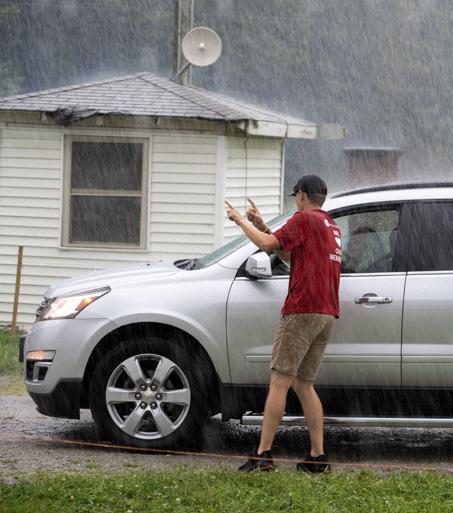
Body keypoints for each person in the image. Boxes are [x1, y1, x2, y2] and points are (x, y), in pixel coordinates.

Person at [225, 174, 341, 473]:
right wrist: (263, 226)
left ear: (301, 195)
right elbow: (287, 251)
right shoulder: (330, 225)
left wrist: (240, 221)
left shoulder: (304, 219)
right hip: (326, 312)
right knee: (304, 384)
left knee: (279, 382)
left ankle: (263, 455)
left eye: (296, 197)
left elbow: (265, 245)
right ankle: (318, 458)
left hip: (301, 310)